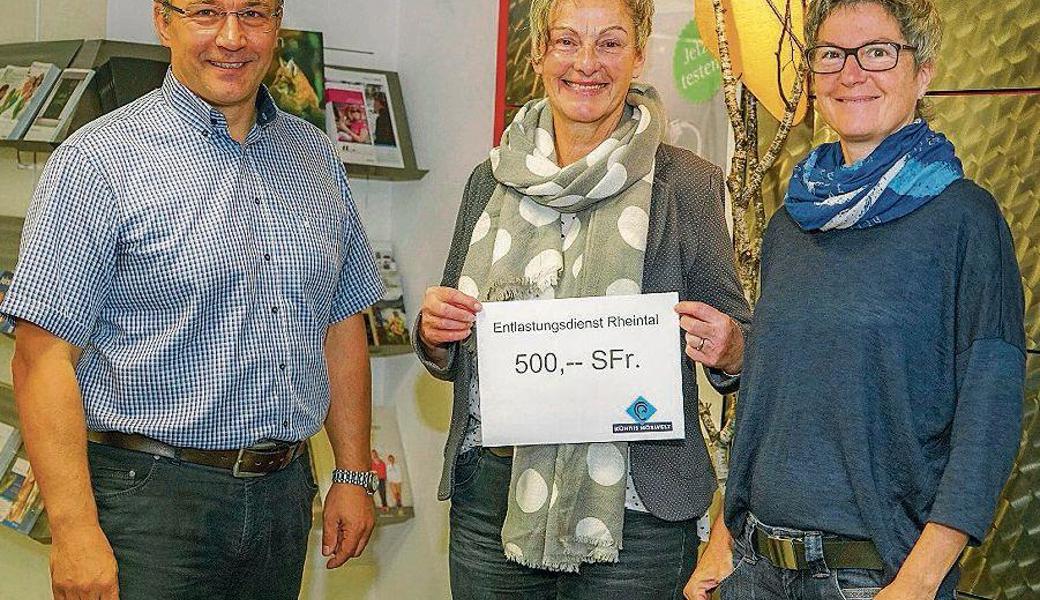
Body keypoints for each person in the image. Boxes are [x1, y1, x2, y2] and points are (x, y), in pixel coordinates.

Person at [0, 1, 385, 598]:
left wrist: (353, 470)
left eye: (253, 13)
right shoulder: (98, 160)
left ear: (277, 24)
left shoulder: (313, 156)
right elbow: (41, 361)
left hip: (284, 496)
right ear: (163, 20)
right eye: (206, 11)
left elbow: (341, 321)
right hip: (150, 503)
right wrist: (75, 530)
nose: (232, 38)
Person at [685, 1, 1026, 599]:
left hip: (874, 579)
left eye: (878, 52)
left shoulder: (965, 221)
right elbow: (771, 404)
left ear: (922, 74)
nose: (851, 72)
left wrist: (918, 583)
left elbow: (989, 421)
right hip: (755, 570)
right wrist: (723, 536)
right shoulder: (791, 224)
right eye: (831, 55)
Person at [414, 0, 751, 597]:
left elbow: (740, 351)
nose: (586, 63)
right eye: (567, 41)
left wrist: (729, 348)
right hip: (494, 497)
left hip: (641, 511)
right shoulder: (488, 181)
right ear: (540, 53)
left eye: (611, 43)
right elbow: (453, 347)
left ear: (639, 55)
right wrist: (433, 333)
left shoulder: (686, 184)